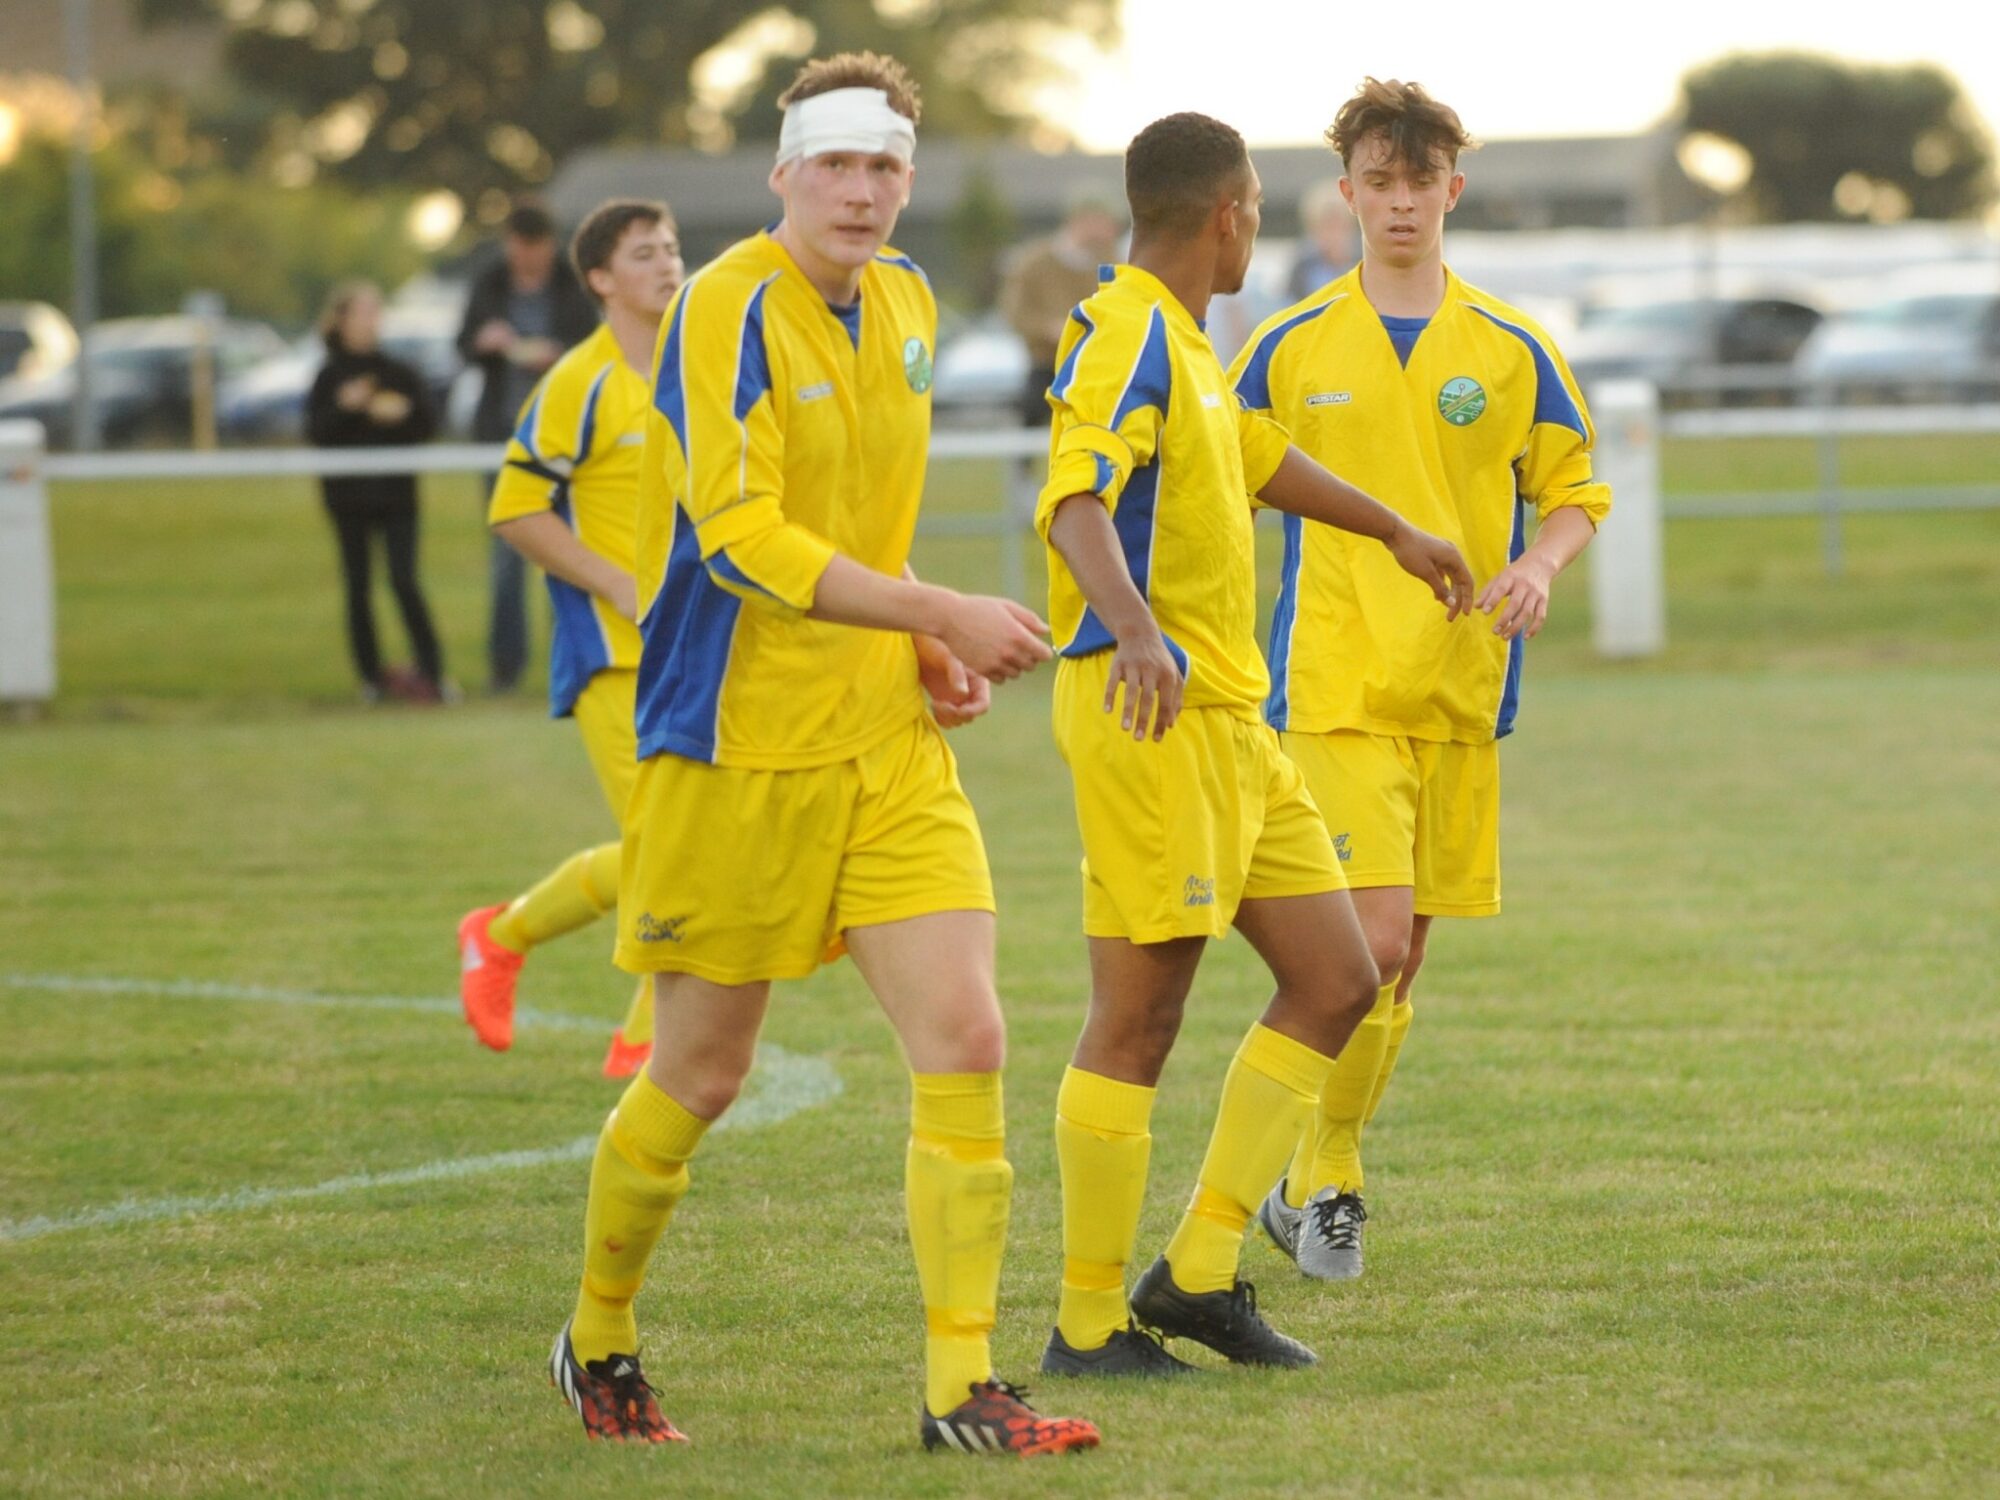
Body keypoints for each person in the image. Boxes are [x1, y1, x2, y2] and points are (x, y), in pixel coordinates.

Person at [546, 52, 1099, 1456]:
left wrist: (919, 647)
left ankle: (959, 1390)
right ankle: (599, 1334)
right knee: (700, 1076)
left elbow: (865, 521)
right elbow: (737, 539)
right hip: (732, 746)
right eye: (838, 165)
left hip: (886, 743)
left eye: (888, 167)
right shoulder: (725, 304)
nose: (863, 191)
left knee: (968, 1035)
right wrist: (938, 609)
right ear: (784, 173)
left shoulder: (909, 300)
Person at [1033, 112, 1474, 1379]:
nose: (1259, 229)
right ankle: (1081, 1326)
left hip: (1234, 721)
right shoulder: (1124, 329)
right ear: (1227, 213)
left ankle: (1201, 1272)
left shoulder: (1184, 342)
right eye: (1259, 210)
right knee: (1140, 1016)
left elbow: (1253, 455)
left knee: (1340, 978)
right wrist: (1130, 633)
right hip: (1152, 716)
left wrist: (1392, 527)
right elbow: (1071, 496)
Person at [1232, 79, 1611, 1282]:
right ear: (1343, 195)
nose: (1399, 205)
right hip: (1333, 685)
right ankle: (1328, 1179)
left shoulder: (1508, 348)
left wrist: (1541, 567)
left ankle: (1310, 1178)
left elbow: (1574, 490)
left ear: (1454, 188)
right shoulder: (1288, 346)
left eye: (1419, 182)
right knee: (1373, 944)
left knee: (1402, 964)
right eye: (1377, 184)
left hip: (1460, 691)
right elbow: (1209, 473)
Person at [458, 199, 685, 1077]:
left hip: (702, 649)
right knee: (677, 851)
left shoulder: (703, 368)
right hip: (614, 656)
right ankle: (636, 1039)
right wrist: (623, 585)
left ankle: (504, 937)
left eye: (671, 248)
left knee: (704, 848)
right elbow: (514, 510)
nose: (667, 265)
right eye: (643, 254)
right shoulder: (580, 382)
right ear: (599, 279)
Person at [456, 200, 599, 694]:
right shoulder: (489, 283)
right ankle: (505, 669)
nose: (529, 259)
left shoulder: (571, 283)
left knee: (565, 553)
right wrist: (484, 342)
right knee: (506, 555)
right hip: (501, 433)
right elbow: (462, 344)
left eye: (536, 249)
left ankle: (573, 664)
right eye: (521, 249)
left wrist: (558, 354)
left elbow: (595, 344)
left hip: (561, 437)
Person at [306, 281, 446, 703]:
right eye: (362, 312)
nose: (370, 321)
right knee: (358, 586)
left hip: (396, 495)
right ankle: (371, 677)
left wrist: (400, 414)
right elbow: (316, 432)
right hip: (348, 498)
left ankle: (432, 673)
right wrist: (345, 407)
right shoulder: (329, 376)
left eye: (375, 312)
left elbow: (426, 424)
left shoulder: (397, 372)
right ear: (342, 320)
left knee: (404, 578)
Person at [997, 192, 1123, 426]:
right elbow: (1015, 312)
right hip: (1047, 365)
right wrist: (1050, 328)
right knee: (1032, 419)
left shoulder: (1112, 263)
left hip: (1096, 368)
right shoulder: (1034, 263)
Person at [1284, 179, 1356, 301]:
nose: (1333, 235)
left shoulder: (1364, 262)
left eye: (1338, 226)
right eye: (1326, 226)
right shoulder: (1303, 266)